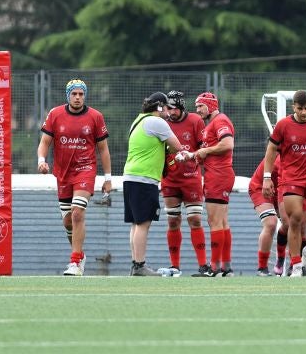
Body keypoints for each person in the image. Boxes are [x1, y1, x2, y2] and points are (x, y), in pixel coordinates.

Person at [37, 78, 112, 276]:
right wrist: (41, 160)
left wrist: (108, 177)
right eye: (74, 94)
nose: (78, 97)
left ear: (84, 96)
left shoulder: (95, 116)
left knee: (77, 212)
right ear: (68, 95)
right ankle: (79, 254)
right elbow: (45, 142)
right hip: (63, 173)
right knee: (68, 221)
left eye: (81, 94)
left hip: (85, 170)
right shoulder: (55, 114)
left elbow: (103, 150)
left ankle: (75, 262)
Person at [123, 91, 192, 276]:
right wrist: (187, 155)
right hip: (145, 179)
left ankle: (135, 264)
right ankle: (139, 265)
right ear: (159, 107)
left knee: (136, 224)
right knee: (143, 223)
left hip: (130, 177)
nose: (169, 111)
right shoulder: (157, 122)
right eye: (166, 107)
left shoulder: (139, 120)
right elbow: (177, 146)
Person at [262, 89, 306, 278]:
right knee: (295, 219)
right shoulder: (283, 125)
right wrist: (267, 177)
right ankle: (296, 264)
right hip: (291, 178)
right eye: (300, 108)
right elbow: (271, 150)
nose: (303, 112)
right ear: (293, 107)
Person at [160, 90, 213, 278]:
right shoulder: (162, 123)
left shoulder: (195, 121)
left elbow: (204, 147)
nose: (169, 112)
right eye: (167, 108)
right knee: (173, 221)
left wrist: (192, 156)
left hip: (191, 178)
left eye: (173, 108)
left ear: (181, 107)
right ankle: (174, 266)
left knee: (195, 220)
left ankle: (203, 265)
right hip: (170, 180)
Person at [193, 91, 237, 276]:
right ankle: (226, 268)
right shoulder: (213, 123)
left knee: (214, 222)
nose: (197, 110)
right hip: (218, 174)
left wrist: (205, 151)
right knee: (222, 222)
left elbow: (228, 144)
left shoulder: (220, 120)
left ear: (210, 105)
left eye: (200, 106)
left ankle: (214, 267)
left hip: (218, 176)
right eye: (196, 107)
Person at [248, 156, 281, 275]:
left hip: (283, 187)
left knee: (293, 223)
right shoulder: (278, 153)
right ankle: (262, 267)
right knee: (271, 222)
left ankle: (292, 265)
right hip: (261, 187)